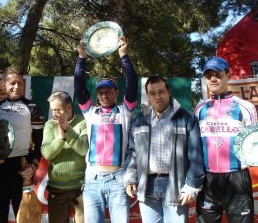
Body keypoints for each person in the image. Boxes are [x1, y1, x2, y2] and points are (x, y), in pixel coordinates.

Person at [124, 76, 205, 223]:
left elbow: (196, 155)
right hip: (147, 185)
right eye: (152, 93)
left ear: (168, 91)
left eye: (161, 91)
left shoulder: (186, 118)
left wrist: (192, 186)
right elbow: (132, 152)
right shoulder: (139, 120)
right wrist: (130, 177)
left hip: (176, 185)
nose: (158, 97)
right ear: (147, 96)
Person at [74, 36, 138, 223]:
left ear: (116, 93)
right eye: (100, 92)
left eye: (108, 91)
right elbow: (79, 85)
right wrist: (81, 58)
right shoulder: (90, 111)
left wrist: (123, 56)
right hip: (92, 178)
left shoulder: (125, 111)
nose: (104, 95)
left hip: (118, 178)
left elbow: (132, 83)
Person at [195, 57, 257, 223]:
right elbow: (194, 145)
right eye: (208, 76)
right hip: (208, 179)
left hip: (237, 178)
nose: (213, 79)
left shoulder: (245, 107)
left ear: (227, 75)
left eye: (217, 74)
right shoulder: (200, 108)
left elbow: (254, 143)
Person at [0, 67, 44, 223]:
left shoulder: (32, 107)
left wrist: (33, 164)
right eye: (12, 83)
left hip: (22, 166)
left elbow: (40, 140)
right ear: (3, 84)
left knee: (23, 215)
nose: (17, 87)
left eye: (19, 83)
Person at [41, 91, 88, 223]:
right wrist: (61, 138)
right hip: (57, 188)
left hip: (81, 187)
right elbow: (47, 153)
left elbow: (84, 149)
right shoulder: (50, 125)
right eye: (52, 110)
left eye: (57, 110)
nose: (54, 114)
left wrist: (68, 130)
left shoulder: (83, 122)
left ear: (68, 107)